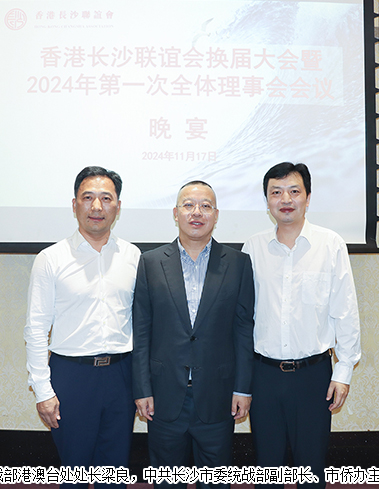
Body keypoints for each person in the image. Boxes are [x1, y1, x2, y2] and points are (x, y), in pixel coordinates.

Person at [242, 162, 361, 489]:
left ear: (308, 198)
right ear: (267, 200)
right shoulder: (253, 248)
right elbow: (242, 317)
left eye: (294, 191)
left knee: (311, 469)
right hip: (264, 375)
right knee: (267, 469)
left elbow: (345, 310)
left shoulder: (330, 244)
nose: (285, 199)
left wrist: (344, 370)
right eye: (276, 192)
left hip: (313, 376)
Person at [132, 181, 255, 489]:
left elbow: (243, 330)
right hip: (163, 396)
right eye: (188, 205)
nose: (196, 212)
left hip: (218, 395)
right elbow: (142, 331)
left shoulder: (238, 263)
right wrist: (142, 389)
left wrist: (243, 389)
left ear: (216, 214)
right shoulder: (150, 262)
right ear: (176, 213)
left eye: (205, 206)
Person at [24, 166, 140, 489]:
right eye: (88, 198)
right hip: (72, 377)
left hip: (121, 376)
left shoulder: (133, 256)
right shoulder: (51, 259)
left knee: (114, 474)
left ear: (118, 206)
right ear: (74, 204)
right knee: (74, 474)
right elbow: (36, 329)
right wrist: (43, 391)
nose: (97, 206)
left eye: (106, 198)